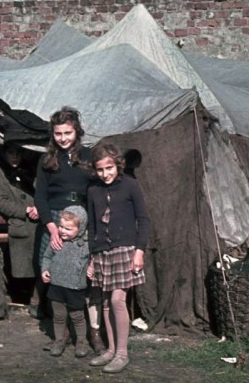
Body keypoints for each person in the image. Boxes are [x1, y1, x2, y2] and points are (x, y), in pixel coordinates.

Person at [35, 106, 104, 353]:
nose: (63, 138)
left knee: (86, 275)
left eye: (67, 132)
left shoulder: (88, 157)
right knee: (51, 273)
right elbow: (40, 197)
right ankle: (60, 335)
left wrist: (88, 227)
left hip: (82, 221)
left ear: (77, 131)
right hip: (53, 220)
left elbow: (97, 192)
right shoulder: (46, 161)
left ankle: (91, 334)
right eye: (58, 133)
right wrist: (52, 228)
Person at [87, 142, 151, 373]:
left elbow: (143, 220)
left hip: (126, 251)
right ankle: (111, 350)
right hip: (102, 252)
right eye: (101, 170)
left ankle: (123, 353)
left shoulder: (131, 186)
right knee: (104, 303)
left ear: (118, 165)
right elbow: (93, 226)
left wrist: (139, 251)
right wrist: (93, 257)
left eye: (109, 168)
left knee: (117, 301)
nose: (106, 174)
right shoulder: (93, 190)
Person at [0, 142, 40, 311]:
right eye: (11, 152)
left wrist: (38, 207)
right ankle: (26, 297)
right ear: (4, 153)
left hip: (37, 221)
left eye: (18, 152)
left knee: (40, 262)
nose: (15, 156)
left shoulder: (30, 170)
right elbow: (1, 201)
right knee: (23, 264)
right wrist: (25, 210)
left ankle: (37, 299)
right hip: (20, 222)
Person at [41, 205, 90, 358]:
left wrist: (92, 268)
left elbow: (94, 259)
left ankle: (82, 341)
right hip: (56, 285)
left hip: (75, 287)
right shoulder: (56, 241)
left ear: (80, 229)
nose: (62, 231)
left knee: (77, 316)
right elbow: (47, 256)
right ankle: (59, 340)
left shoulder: (86, 244)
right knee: (59, 315)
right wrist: (45, 270)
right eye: (61, 226)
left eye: (68, 229)